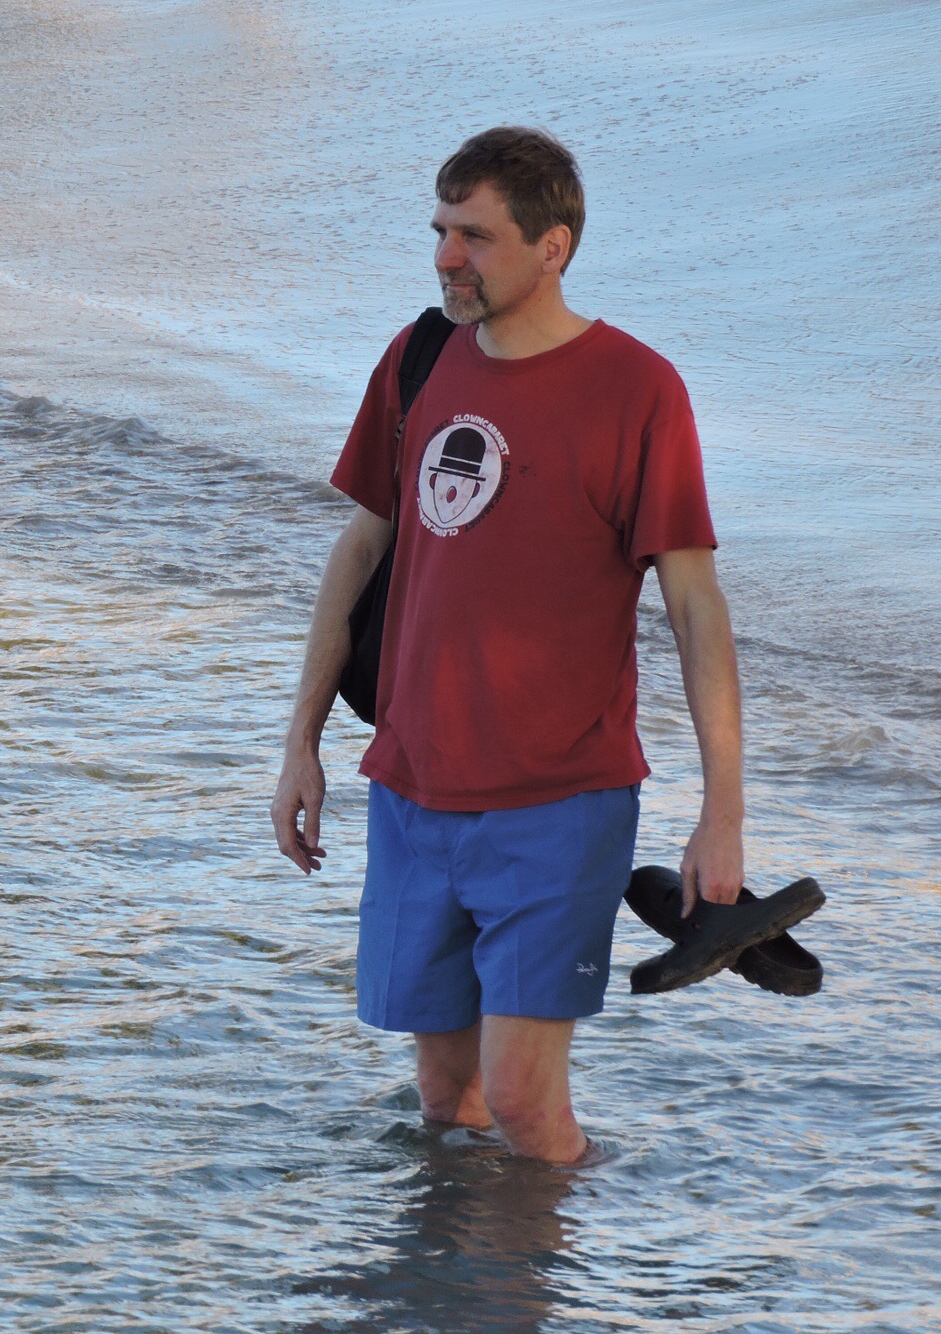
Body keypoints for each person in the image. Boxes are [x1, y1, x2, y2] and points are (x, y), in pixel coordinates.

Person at [269, 127, 744, 1164]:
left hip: (558, 802)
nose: (446, 256)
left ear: (551, 247)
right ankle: (475, 1277)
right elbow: (360, 549)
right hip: (412, 791)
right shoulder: (418, 358)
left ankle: (564, 1267)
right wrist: (300, 743)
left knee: (524, 1102)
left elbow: (694, 606)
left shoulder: (637, 389)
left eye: (474, 237)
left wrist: (722, 814)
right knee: (447, 1100)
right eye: (441, 231)